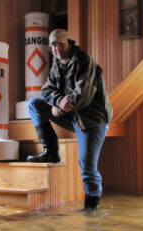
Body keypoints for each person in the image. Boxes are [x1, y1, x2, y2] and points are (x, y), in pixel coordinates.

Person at [26, 29, 113, 209]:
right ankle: (51, 152)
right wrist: (59, 101)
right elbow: (46, 90)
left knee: (87, 167)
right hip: (72, 116)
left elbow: (83, 96)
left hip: (92, 121)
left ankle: (92, 209)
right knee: (34, 104)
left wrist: (60, 108)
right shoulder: (57, 64)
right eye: (53, 45)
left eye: (60, 44)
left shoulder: (85, 60)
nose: (57, 48)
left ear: (69, 43)